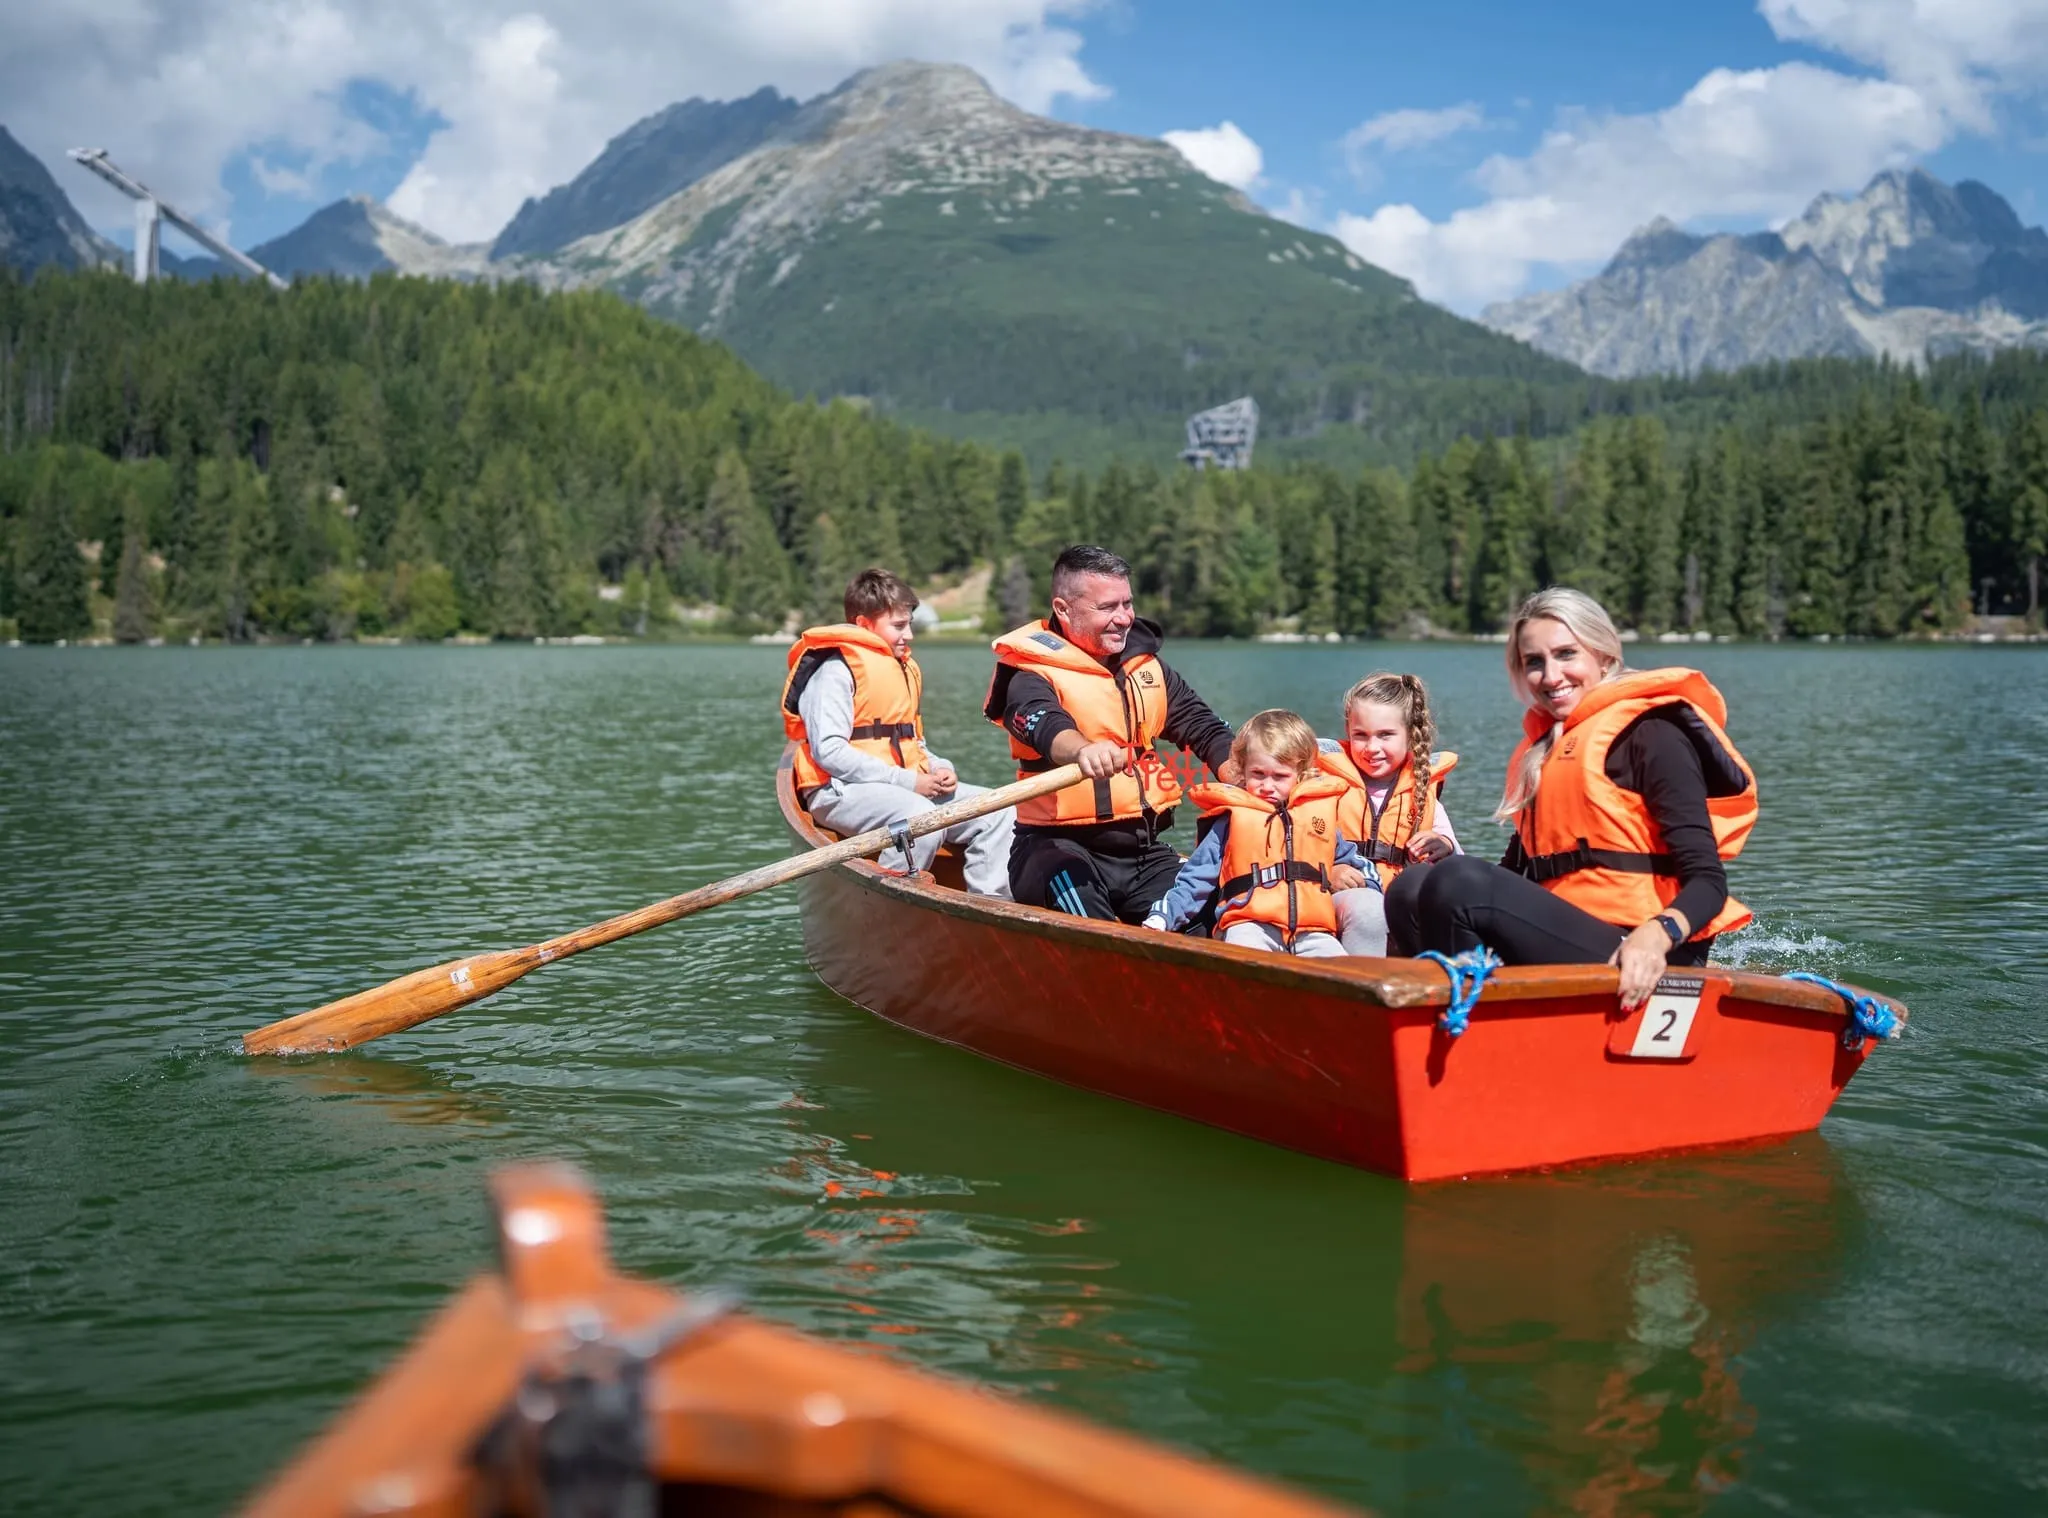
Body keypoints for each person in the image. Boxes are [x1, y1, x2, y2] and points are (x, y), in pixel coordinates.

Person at [1384, 587, 1758, 1010]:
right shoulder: (1545, 753)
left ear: (1603, 654)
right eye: (1534, 662)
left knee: (1458, 880)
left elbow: (1708, 882)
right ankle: (1447, 1018)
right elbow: (1511, 877)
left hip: (1649, 947)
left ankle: (1472, 1026)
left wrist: (1658, 934)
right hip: (1566, 936)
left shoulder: (1653, 734)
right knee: (1412, 888)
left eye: (1566, 654)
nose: (1551, 676)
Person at [985, 544, 1235, 922]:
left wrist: (1243, 772)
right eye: (1107, 607)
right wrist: (1081, 750)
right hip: (1056, 850)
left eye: (1127, 603)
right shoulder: (1029, 674)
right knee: (1089, 918)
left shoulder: (1146, 668)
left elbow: (1204, 727)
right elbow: (1042, 724)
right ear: (1063, 610)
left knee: (1213, 915)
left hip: (1142, 854)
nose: (1124, 618)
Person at [783, 567, 1013, 897]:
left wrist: (938, 766)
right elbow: (829, 753)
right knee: (919, 818)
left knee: (998, 811)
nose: (910, 635)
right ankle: (887, 901)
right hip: (838, 791)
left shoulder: (902, 668)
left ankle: (989, 907)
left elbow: (913, 742)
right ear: (863, 624)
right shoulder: (834, 671)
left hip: (901, 785)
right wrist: (907, 782)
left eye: (910, 624)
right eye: (899, 625)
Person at [1141, 709, 1373, 957]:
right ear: (1243, 770)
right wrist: (1162, 917)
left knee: (1339, 965)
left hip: (1312, 931)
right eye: (1258, 774)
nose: (1267, 786)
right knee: (1245, 951)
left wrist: (1371, 886)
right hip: (1249, 925)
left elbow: (1355, 862)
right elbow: (1195, 879)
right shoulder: (1231, 820)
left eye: (1280, 777)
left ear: (1301, 774)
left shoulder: (1316, 816)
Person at [1315, 672, 1463, 956]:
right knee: (1368, 912)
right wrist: (1329, 871)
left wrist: (1443, 845)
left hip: (1401, 907)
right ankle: (1362, 980)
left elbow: (1455, 856)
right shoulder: (1321, 784)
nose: (1372, 748)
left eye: (1385, 735)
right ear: (1348, 730)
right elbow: (1296, 843)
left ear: (1410, 733)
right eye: (1360, 735)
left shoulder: (1422, 788)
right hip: (1337, 898)